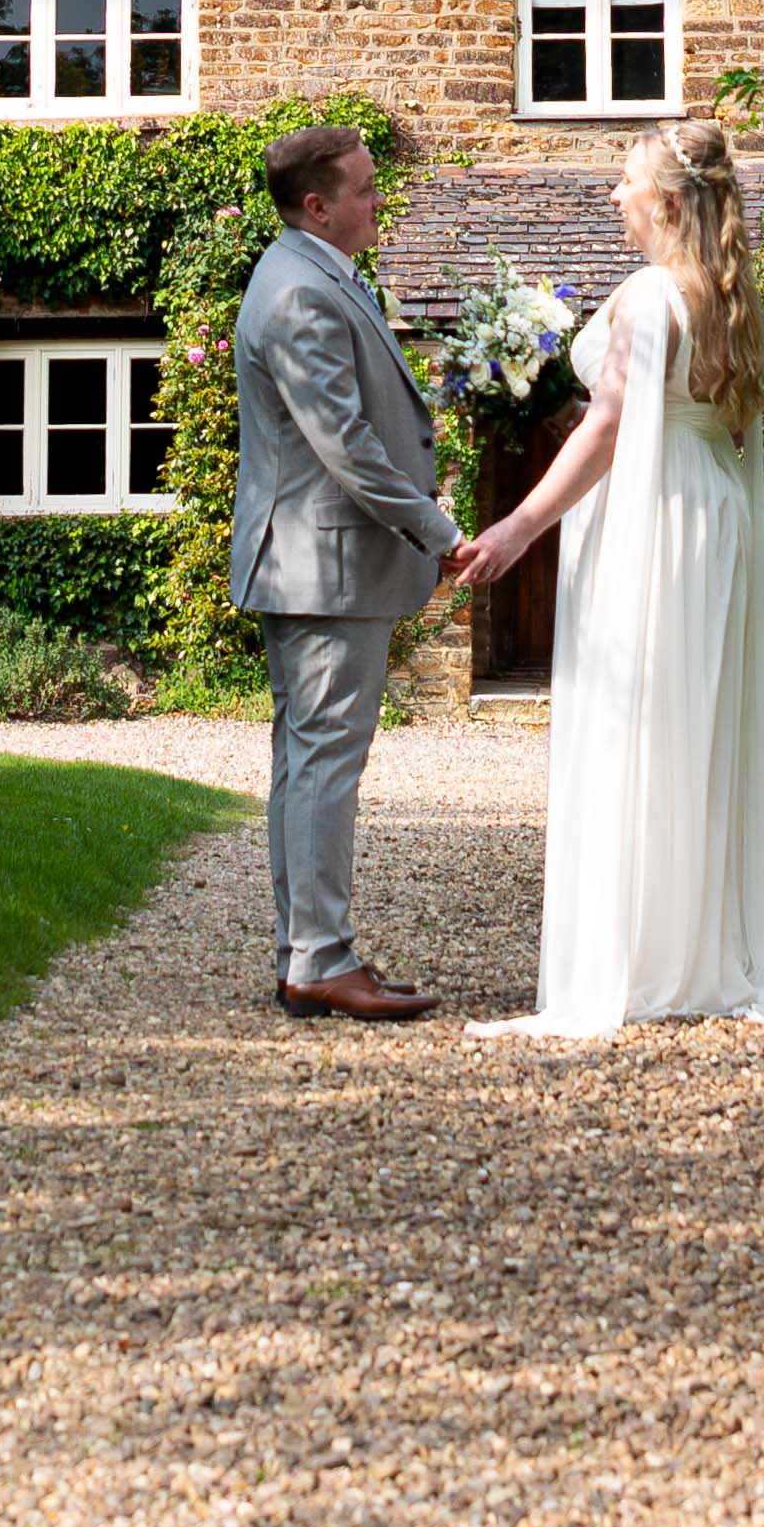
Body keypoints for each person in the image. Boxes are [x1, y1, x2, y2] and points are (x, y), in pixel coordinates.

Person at [449, 113, 764, 1037]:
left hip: (654, 513)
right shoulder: (728, 292)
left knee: (635, 720)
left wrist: (518, 525)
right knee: (694, 726)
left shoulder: (650, 296)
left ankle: (635, 961)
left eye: (627, 179)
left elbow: (607, 429)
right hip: (711, 513)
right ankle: (692, 950)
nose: (614, 193)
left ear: (669, 201)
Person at [232, 121, 465, 1021]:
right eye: (365, 189)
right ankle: (319, 958)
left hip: (316, 562)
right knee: (323, 761)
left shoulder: (314, 272)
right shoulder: (299, 290)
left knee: (308, 760)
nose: (379, 200)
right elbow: (346, 445)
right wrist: (435, 530)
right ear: (317, 205)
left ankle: (308, 952)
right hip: (323, 564)